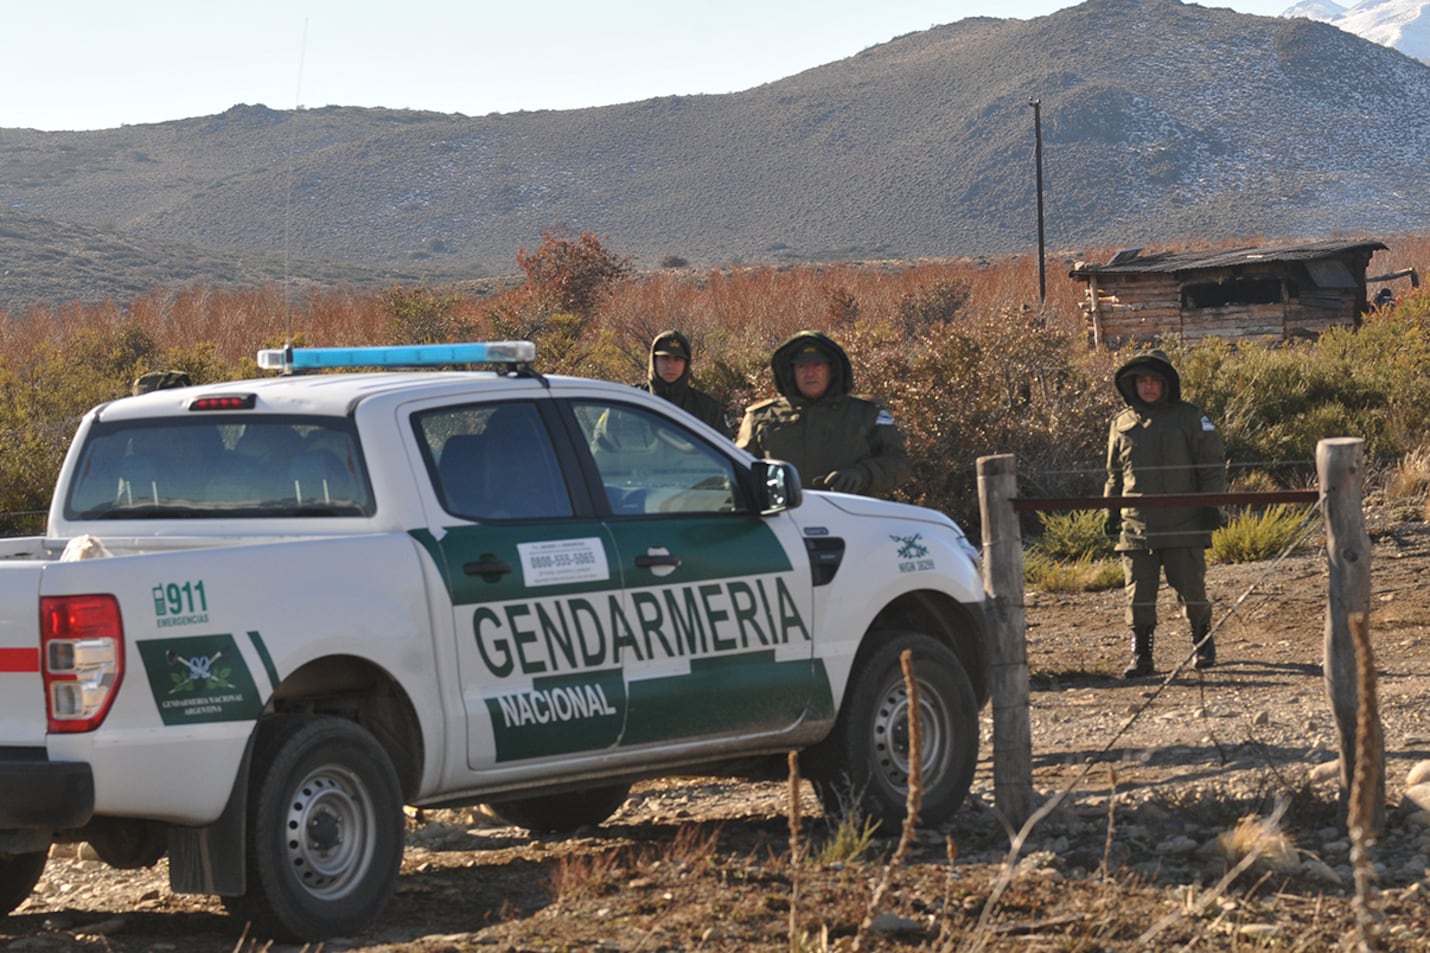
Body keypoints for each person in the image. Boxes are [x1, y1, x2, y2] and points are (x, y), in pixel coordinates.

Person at [1104, 349, 1227, 678]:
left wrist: (1211, 506)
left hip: (1183, 521)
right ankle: (1142, 655)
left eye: (1154, 380)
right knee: (1138, 596)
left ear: (1166, 383)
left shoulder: (1190, 417)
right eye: (1141, 381)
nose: (1148, 387)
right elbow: (1115, 474)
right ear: (1132, 385)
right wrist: (1111, 510)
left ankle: (1203, 643)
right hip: (1135, 525)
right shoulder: (1121, 423)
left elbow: (1211, 465)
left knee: (1192, 590)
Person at [736, 330, 911, 498]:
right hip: (782, 520)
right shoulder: (761, 417)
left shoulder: (866, 413)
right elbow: (736, 471)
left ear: (831, 369)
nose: (809, 373)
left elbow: (899, 464)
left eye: (817, 365)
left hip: (851, 518)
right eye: (802, 366)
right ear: (791, 372)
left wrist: (862, 474)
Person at [641, 330, 726, 433]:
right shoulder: (631, 401)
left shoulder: (707, 408)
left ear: (686, 364)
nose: (670, 365)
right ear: (654, 361)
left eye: (677, 359)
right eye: (665, 358)